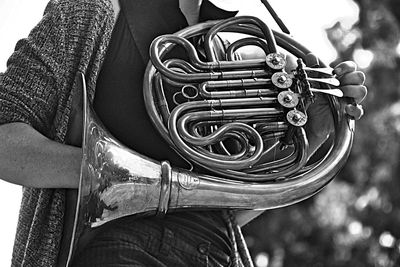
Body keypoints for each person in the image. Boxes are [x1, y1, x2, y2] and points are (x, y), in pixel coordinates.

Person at [0, 0, 367, 266]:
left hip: (217, 255)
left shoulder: (230, 49)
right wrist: (112, 177)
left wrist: (317, 131)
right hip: (112, 253)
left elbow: (225, 208)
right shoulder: (89, 11)